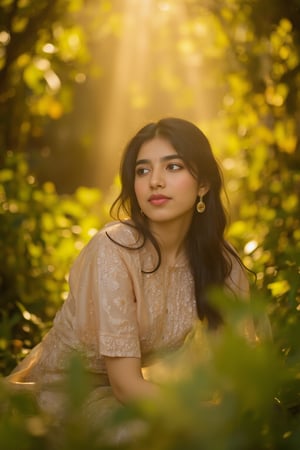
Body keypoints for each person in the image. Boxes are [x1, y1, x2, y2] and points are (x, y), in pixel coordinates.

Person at [7, 117, 258, 424]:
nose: (155, 180)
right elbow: (126, 387)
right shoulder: (115, 250)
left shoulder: (219, 260)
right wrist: (202, 414)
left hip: (132, 394)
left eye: (173, 166)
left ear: (203, 184)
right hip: (67, 396)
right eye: (143, 170)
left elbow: (240, 366)